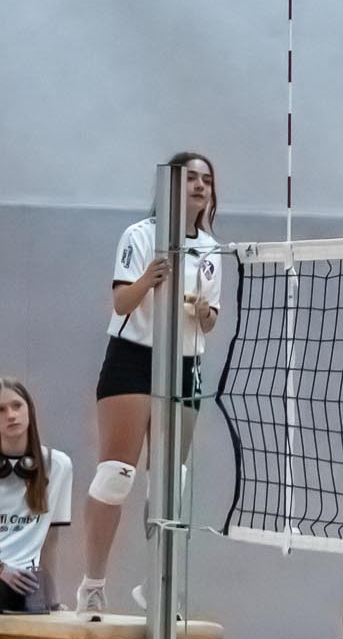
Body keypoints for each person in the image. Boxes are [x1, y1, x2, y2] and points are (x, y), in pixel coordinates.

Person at [76, 152, 223, 614]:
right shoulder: (140, 235)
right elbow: (122, 303)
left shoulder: (212, 249)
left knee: (170, 482)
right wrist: (148, 278)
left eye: (206, 180)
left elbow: (210, 322)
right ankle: (93, 584)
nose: (199, 186)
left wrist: (205, 313)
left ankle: (157, 583)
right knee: (116, 475)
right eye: (190, 178)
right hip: (134, 357)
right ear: (170, 185)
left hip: (184, 362)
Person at [0, 379, 72, 615]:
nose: (11, 415)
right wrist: (2, 570)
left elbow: (51, 538)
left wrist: (53, 600)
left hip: (27, 584)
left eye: (17, 406)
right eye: (1, 410)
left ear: (29, 409)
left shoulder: (58, 465)